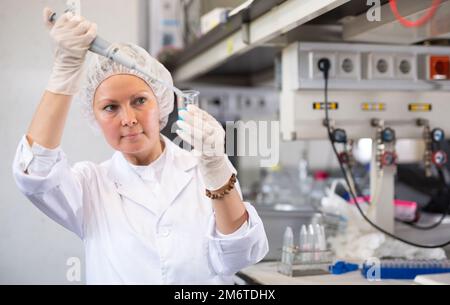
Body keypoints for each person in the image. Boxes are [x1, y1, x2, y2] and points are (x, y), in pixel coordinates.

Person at [12, 8, 268, 284]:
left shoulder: (206, 170)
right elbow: (36, 173)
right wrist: (64, 73)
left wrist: (217, 168)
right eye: (110, 107)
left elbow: (240, 256)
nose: (128, 120)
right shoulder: (90, 184)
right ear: (94, 117)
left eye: (139, 101)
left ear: (161, 103)